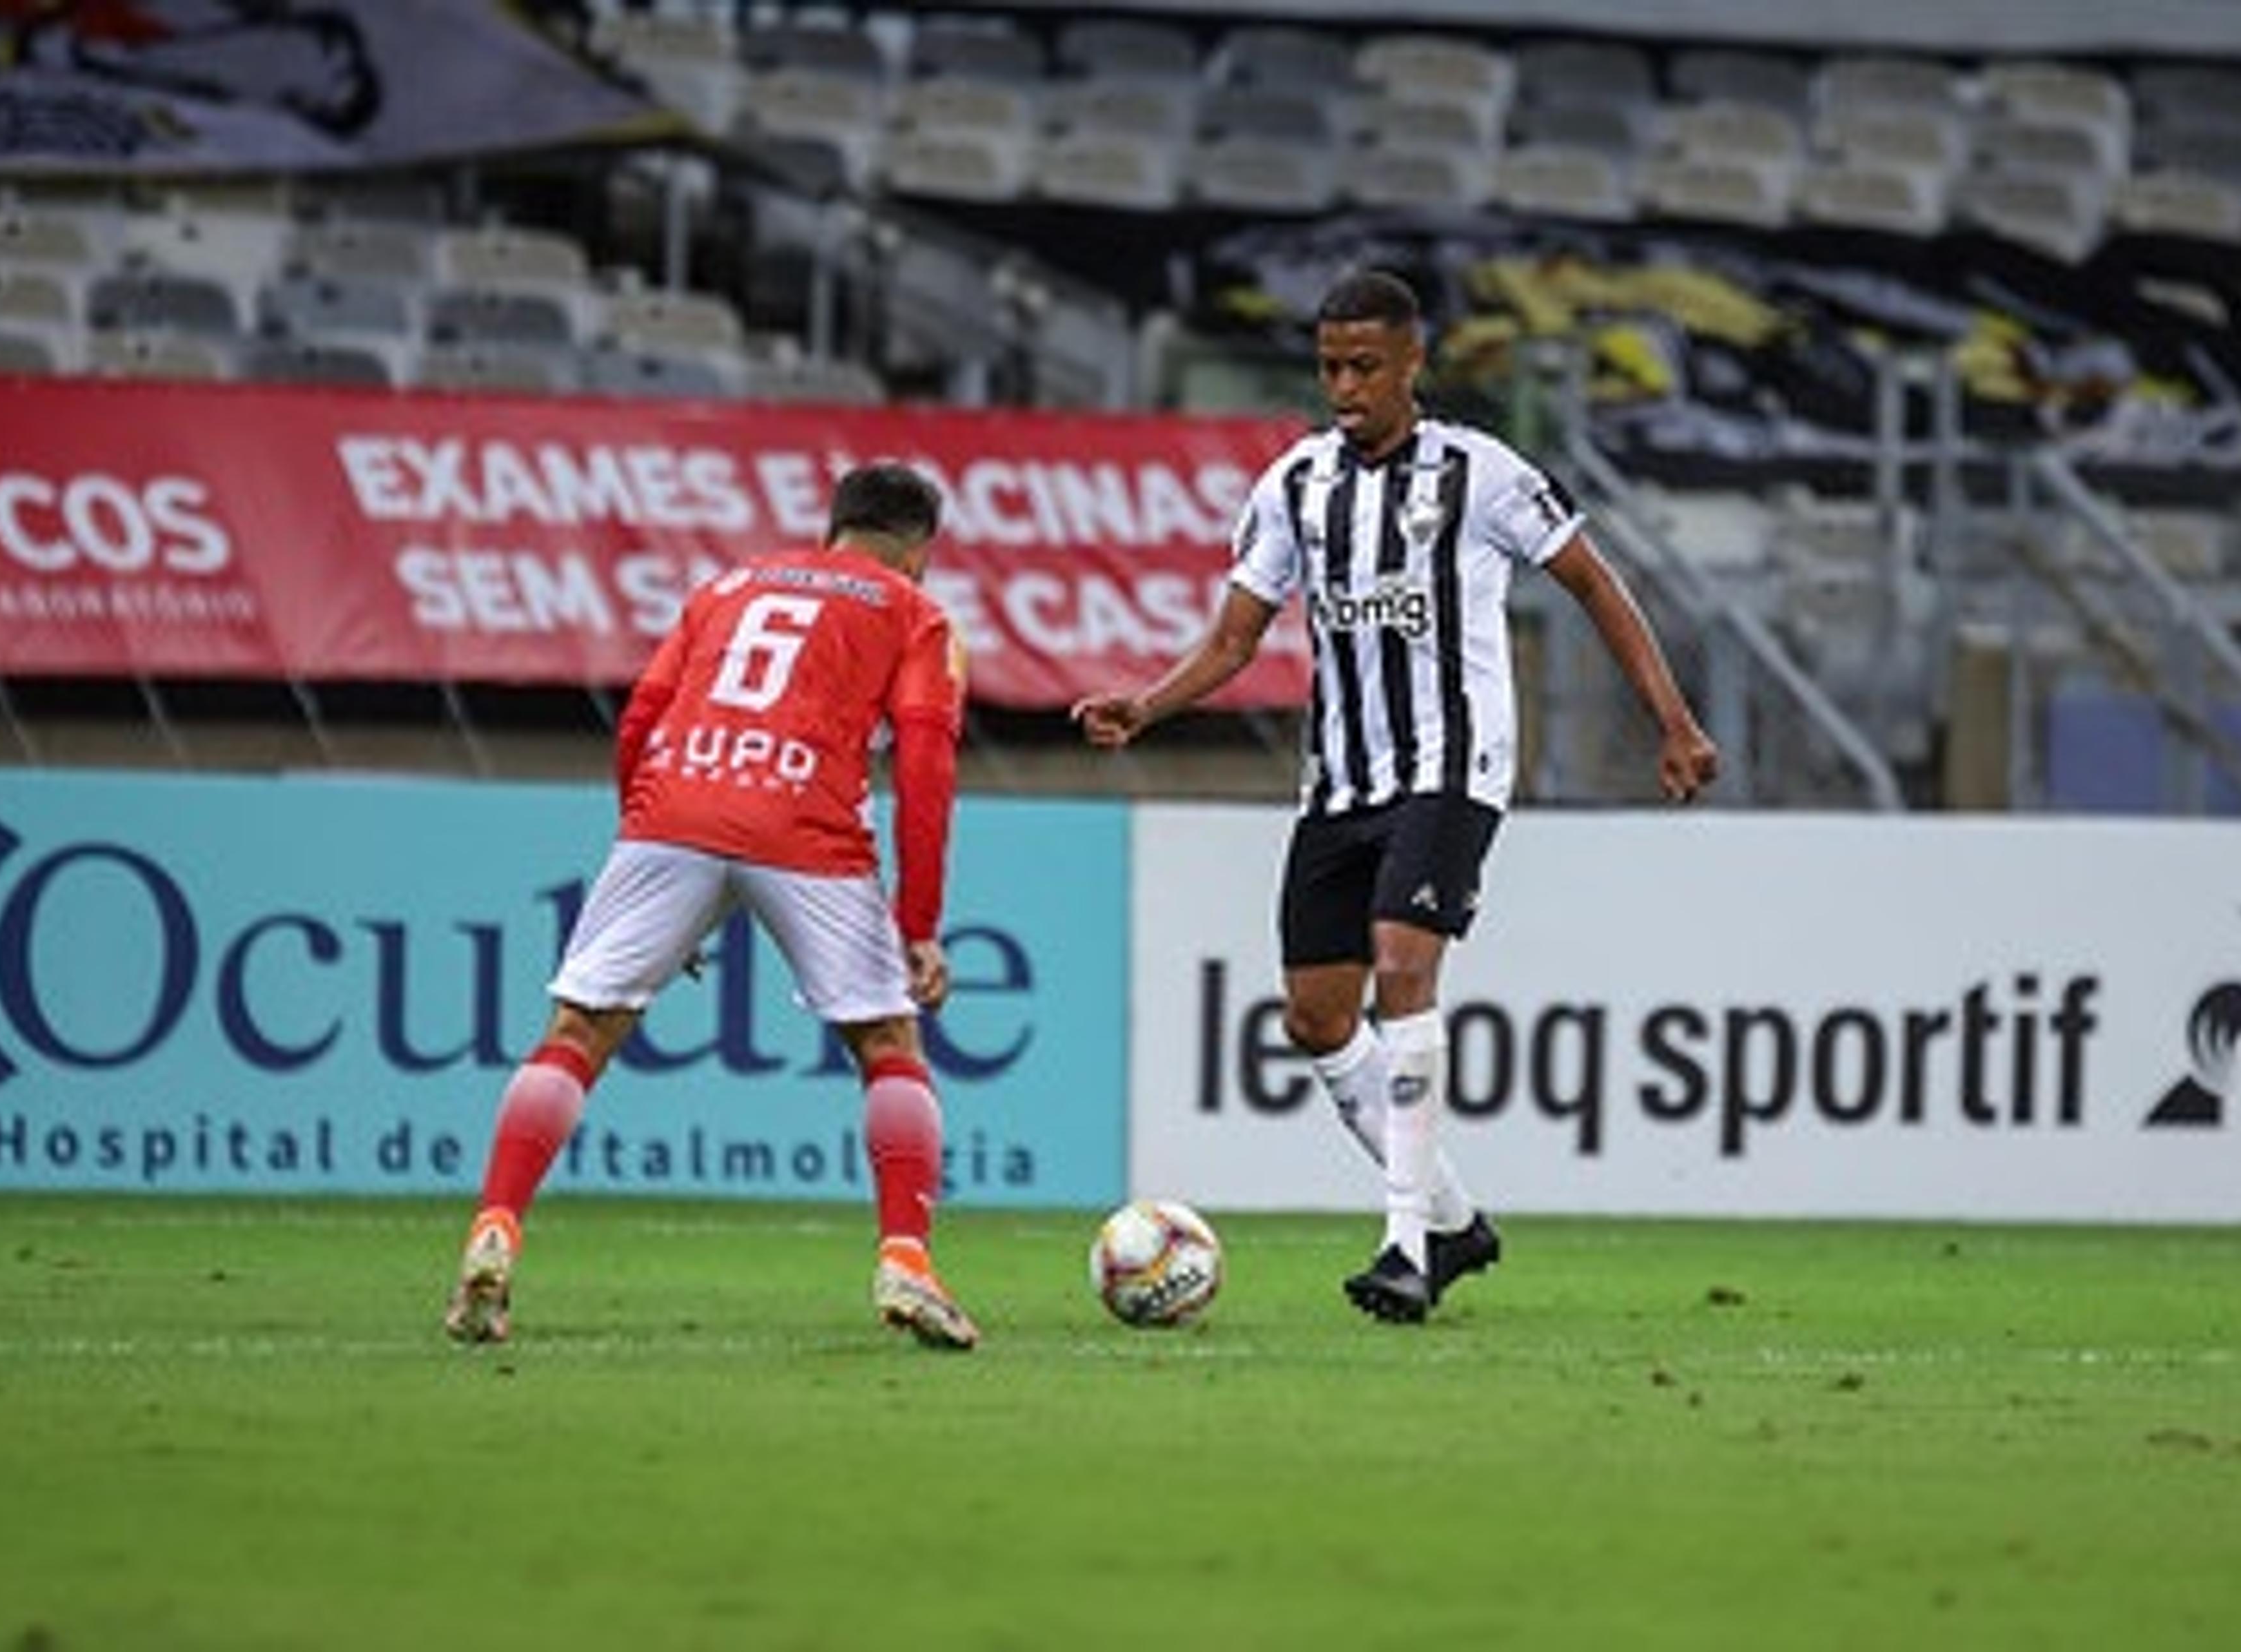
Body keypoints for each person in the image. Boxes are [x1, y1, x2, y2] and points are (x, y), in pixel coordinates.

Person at [1073, 269, 1719, 1325]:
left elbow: (1595, 583)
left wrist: (1675, 721)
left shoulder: (1485, 473)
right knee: (1317, 1017)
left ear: (1415, 364)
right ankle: (1457, 1221)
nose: (1344, 386)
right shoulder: (1294, 486)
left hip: (1452, 769)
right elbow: (1236, 639)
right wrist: (1147, 707)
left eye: (1365, 366)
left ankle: (1405, 1247)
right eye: (1330, 366)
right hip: (1340, 782)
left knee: (1402, 965)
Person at [445, 461, 981, 1350]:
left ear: (832, 527)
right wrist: (919, 926)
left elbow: (638, 723)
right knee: (889, 1045)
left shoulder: (725, 588)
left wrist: (652, 849)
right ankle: (906, 1262)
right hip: (808, 821)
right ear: (921, 549)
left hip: (673, 809)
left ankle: (494, 1229)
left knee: (576, 1032)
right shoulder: (916, 613)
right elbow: (926, 768)